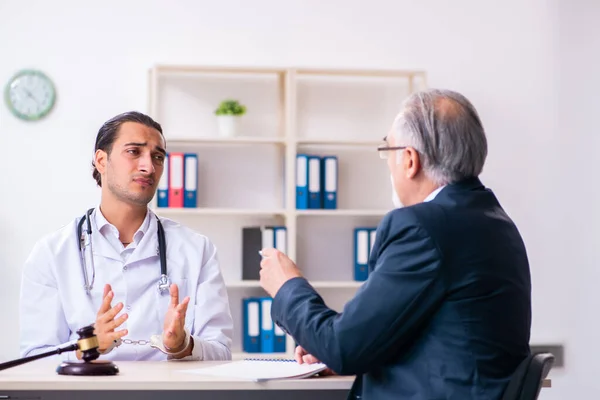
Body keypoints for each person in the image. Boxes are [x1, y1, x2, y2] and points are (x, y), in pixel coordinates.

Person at [259, 89, 532, 399]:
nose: (387, 163)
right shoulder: (495, 221)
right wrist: (349, 352)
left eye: (387, 150)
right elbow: (435, 338)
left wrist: (287, 286)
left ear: (410, 160)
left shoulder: (423, 228)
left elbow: (343, 346)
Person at [20, 111, 233, 361]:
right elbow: (33, 358)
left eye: (158, 157)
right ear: (101, 160)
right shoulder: (51, 253)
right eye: (134, 152)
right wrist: (88, 346)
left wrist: (182, 346)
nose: (149, 166)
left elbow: (221, 352)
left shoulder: (197, 249)